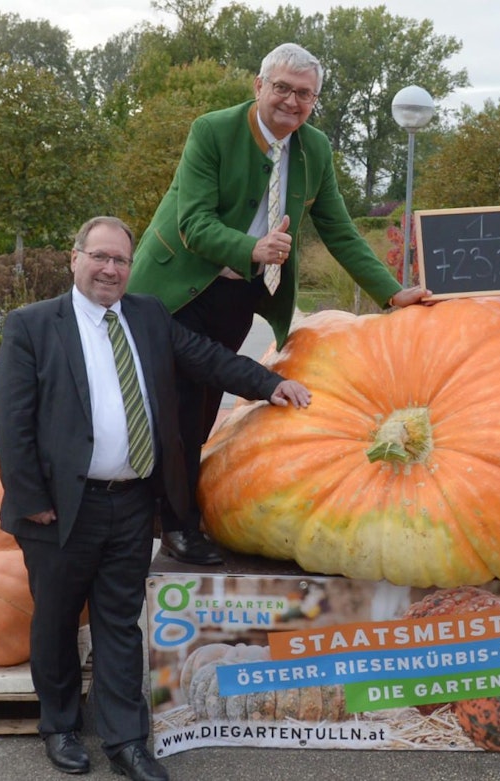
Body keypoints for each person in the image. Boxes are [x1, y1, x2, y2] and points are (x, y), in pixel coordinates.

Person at [0, 216, 312, 781]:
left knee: (120, 622)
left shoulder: (147, 316)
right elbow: (12, 422)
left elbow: (210, 358)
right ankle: (61, 727)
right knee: (57, 621)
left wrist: (268, 384)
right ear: (75, 258)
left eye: (120, 260)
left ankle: (126, 741)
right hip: (60, 509)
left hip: (133, 502)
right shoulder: (33, 325)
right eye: (100, 257)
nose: (110, 269)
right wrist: (31, 498)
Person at [128, 42, 428, 565]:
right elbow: (192, 221)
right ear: (259, 87)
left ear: (315, 101)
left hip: (237, 294)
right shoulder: (212, 131)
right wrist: (253, 248)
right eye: (283, 88)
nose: (292, 101)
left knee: (200, 410)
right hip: (176, 290)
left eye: (305, 94)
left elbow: (338, 229)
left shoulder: (315, 149)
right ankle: (178, 527)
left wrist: (391, 291)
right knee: (175, 406)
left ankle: (166, 507)